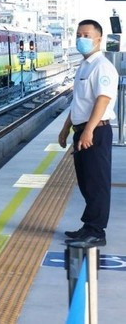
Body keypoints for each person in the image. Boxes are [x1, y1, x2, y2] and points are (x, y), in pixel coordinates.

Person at [59, 19, 118, 247]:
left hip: (96, 132)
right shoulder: (84, 66)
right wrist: (66, 128)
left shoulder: (102, 66)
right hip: (82, 131)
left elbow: (103, 100)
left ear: (98, 39)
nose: (81, 39)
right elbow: (79, 102)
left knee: (97, 183)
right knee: (86, 182)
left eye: (86, 35)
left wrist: (89, 131)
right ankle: (88, 227)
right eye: (78, 35)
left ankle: (97, 232)